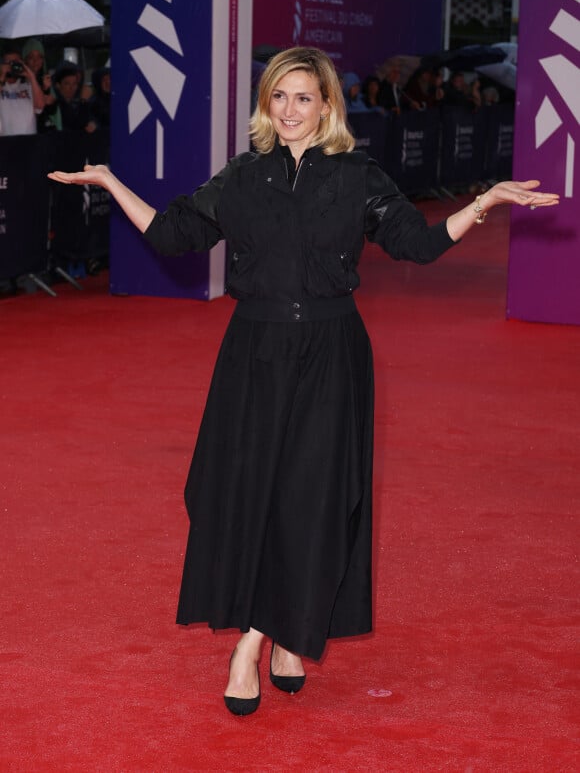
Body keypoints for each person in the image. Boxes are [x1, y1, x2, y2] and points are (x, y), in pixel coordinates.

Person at [48, 46, 558, 717]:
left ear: (326, 106)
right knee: (244, 494)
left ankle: (259, 641)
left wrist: (486, 202)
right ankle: (283, 634)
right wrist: (113, 184)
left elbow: (419, 244)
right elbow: (173, 235)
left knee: (311, 499)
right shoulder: (243, 175)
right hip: (253, 354)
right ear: (267, 104)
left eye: (303, 97)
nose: (289, 110)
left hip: (331, 354)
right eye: (278, 97)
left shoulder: (357, 175)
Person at [0, 46, 46, 136]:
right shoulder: (2, 85)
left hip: (29, 142)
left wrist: (31, 76)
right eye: (8, 62)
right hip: (5, 142)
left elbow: (40, 106)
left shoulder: (28, 85)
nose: (12, 65)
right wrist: (2, 74)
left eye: (15, 62)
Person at [22, 38, 58, 133]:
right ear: (25, 60)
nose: (35, 61)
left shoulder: (47, 79)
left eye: (39, 57)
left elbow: (51, 111)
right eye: (31, 57)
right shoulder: (19, 81)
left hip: (44, 133)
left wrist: (46, 90)